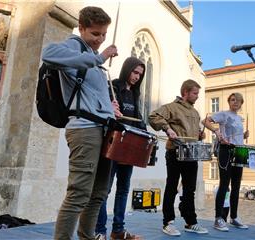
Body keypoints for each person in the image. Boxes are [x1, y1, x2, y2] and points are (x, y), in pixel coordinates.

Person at [41, 6, 119, 240]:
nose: (100, 39)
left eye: (104, 34)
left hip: (103, 129)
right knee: (79, 194)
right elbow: (48, 54)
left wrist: (109, 109)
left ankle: (86, 237)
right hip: (84, 130)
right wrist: (99, 57)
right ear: (81, 28)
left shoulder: (92, 60)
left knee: (98, 194)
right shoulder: (74, 45)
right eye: (95, 34)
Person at [148, 79, 209, 236]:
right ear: (185, 93)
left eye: (197, 93)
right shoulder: (171, 107)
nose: (197, 96)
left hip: (191, 154)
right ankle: (168, 222)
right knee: (172, 187)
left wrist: (200, 136)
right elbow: (153, 117)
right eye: (195, 93)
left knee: (190, 190)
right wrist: (168, 129)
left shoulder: (196, 113)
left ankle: (191, 222)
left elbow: (194, 134)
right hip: (175, 152)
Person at [95, 57, 146, 240]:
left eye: (140, 74)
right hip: (113, 144)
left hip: (129, 147)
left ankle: (118, 230)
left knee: (123, 189)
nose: (137, 77)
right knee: (104, 189)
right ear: (127, 69)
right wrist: (111, 109)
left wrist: (145, 130)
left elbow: (138, 118)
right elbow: (103, 108)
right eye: (135, 72)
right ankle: (99, 231)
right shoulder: (113, 87)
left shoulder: (134, 94)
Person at [202, 92, 249, 232]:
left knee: (236, 186)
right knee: (224, 184)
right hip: (226, 151)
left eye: (238, 101)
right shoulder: (223, 114)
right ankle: (218, 218)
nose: (235, 102)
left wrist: (244, 135)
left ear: (241, 104)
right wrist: (216, 131)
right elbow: (205, 121)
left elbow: (236, 135)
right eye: (233, 100)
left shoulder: (239, 118)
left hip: (239, 151)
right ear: (229, 102)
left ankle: (233, 217)